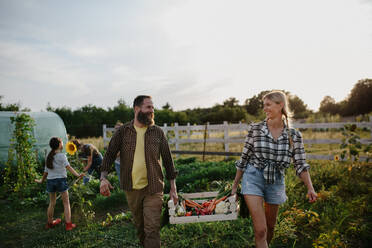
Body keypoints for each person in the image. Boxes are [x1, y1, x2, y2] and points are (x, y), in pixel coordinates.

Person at [231, 90, 317, 248]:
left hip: (276, 180)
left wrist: (310, 188)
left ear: (280, 105)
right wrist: (235, 184)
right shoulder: (256, 129)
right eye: (264, 105)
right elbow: (244, 158)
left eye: (268, 105)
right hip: (253, 177)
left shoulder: (294, 135)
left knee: (270, 228)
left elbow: (301, 164)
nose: (265, 109)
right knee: (261, 230)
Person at [99, 95, 178, 248]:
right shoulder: (123, 132)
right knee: (141, 229)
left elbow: (168, 160)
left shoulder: (158, 132)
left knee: (152, 228)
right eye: (148, 107)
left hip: (154, 188)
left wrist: (173, 188)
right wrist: (103, 178)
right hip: (132, 189)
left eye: (152, 107)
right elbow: (109, 155)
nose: (152, 111)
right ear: (137, 109)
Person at [35, 137, 84, 231]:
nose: (62, 144)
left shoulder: (49, 156)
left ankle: (49, 223)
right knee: (66, 203)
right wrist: (78, 175)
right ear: (58, 145)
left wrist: (41, 180)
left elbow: (46, 172)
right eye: (61, 143)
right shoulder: (62, 156)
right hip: (61, 181)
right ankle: (68, 225)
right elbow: (69, 167)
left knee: (52, 203)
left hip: (50, 181)